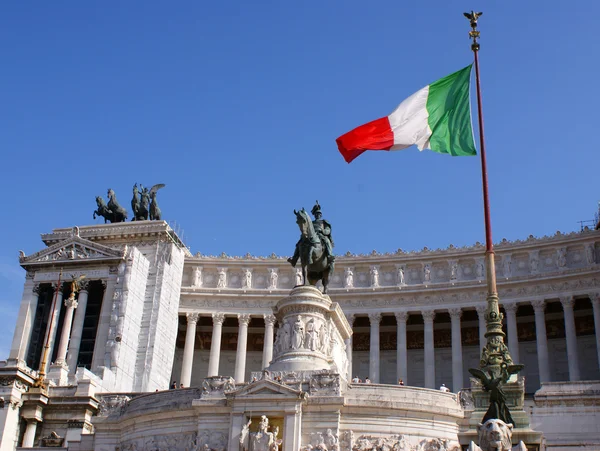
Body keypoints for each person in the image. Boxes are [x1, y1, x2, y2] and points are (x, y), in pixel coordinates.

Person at [289, 201, 335, 266]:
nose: (317, 215)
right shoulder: (311, 223)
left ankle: (330, 255)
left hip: (321, 235)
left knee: (326, 241)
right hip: (312, 235)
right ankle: (294, 259)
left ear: (321, 215)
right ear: (314, 215)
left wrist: (323, 231)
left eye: (319, 214)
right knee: (300, 243)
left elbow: (328, 230)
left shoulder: (324, 222)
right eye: (316, 214)